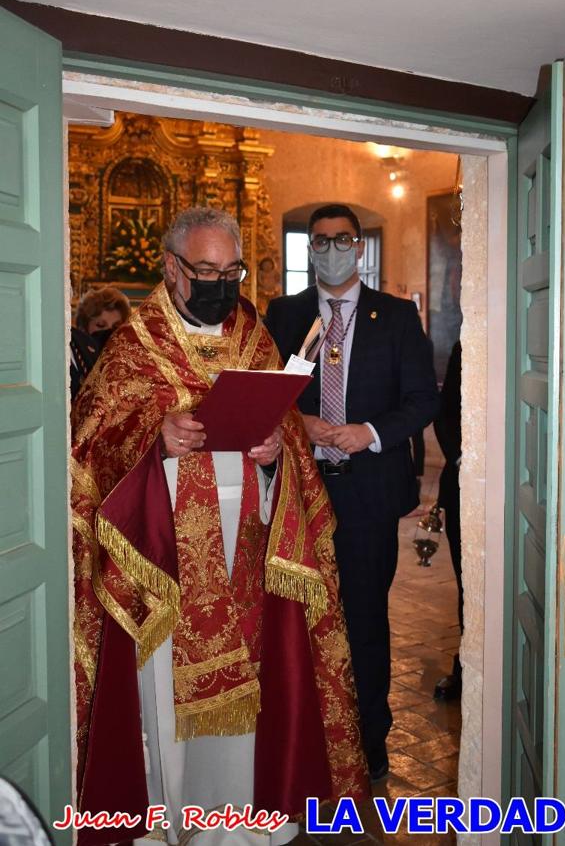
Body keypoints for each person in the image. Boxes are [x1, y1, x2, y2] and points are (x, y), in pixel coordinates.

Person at [71, 207, 368, 846]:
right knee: (168, 709)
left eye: (231, 270)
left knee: (251, 702)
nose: (221, 283)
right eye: (206, 270)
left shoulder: (251, 332)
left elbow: (285, 426)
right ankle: (169, 821)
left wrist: (272, 455)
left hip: (248, 552)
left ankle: (238, 827)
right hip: (163, 562)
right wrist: (154, 441)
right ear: (172, 266)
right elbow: (88, 449)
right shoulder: (133, 343)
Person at [265, 204, 439, 782]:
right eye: (320, 241)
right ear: (309, 248)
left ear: (358, 247)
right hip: (300, 490)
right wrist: (299, 423)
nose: (330, 249)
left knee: (363, 619)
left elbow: (421, 400)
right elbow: (265, 392)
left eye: (342, 240)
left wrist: (367, 433)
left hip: (366, 493)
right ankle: (308, 737)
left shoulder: (393, 316)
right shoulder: (284, 314)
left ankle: (368, 737)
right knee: (298, 618)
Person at [433, 340, 462, 700]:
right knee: (467, 584)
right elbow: (446, 413)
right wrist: (461, 460)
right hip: (461, 485)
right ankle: (466, 663)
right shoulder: (464, 346)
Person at [70, 286, 131, 400]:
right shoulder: (75, 359)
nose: (108, 332)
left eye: (116, 327)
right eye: (101, 325)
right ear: (84, 326)